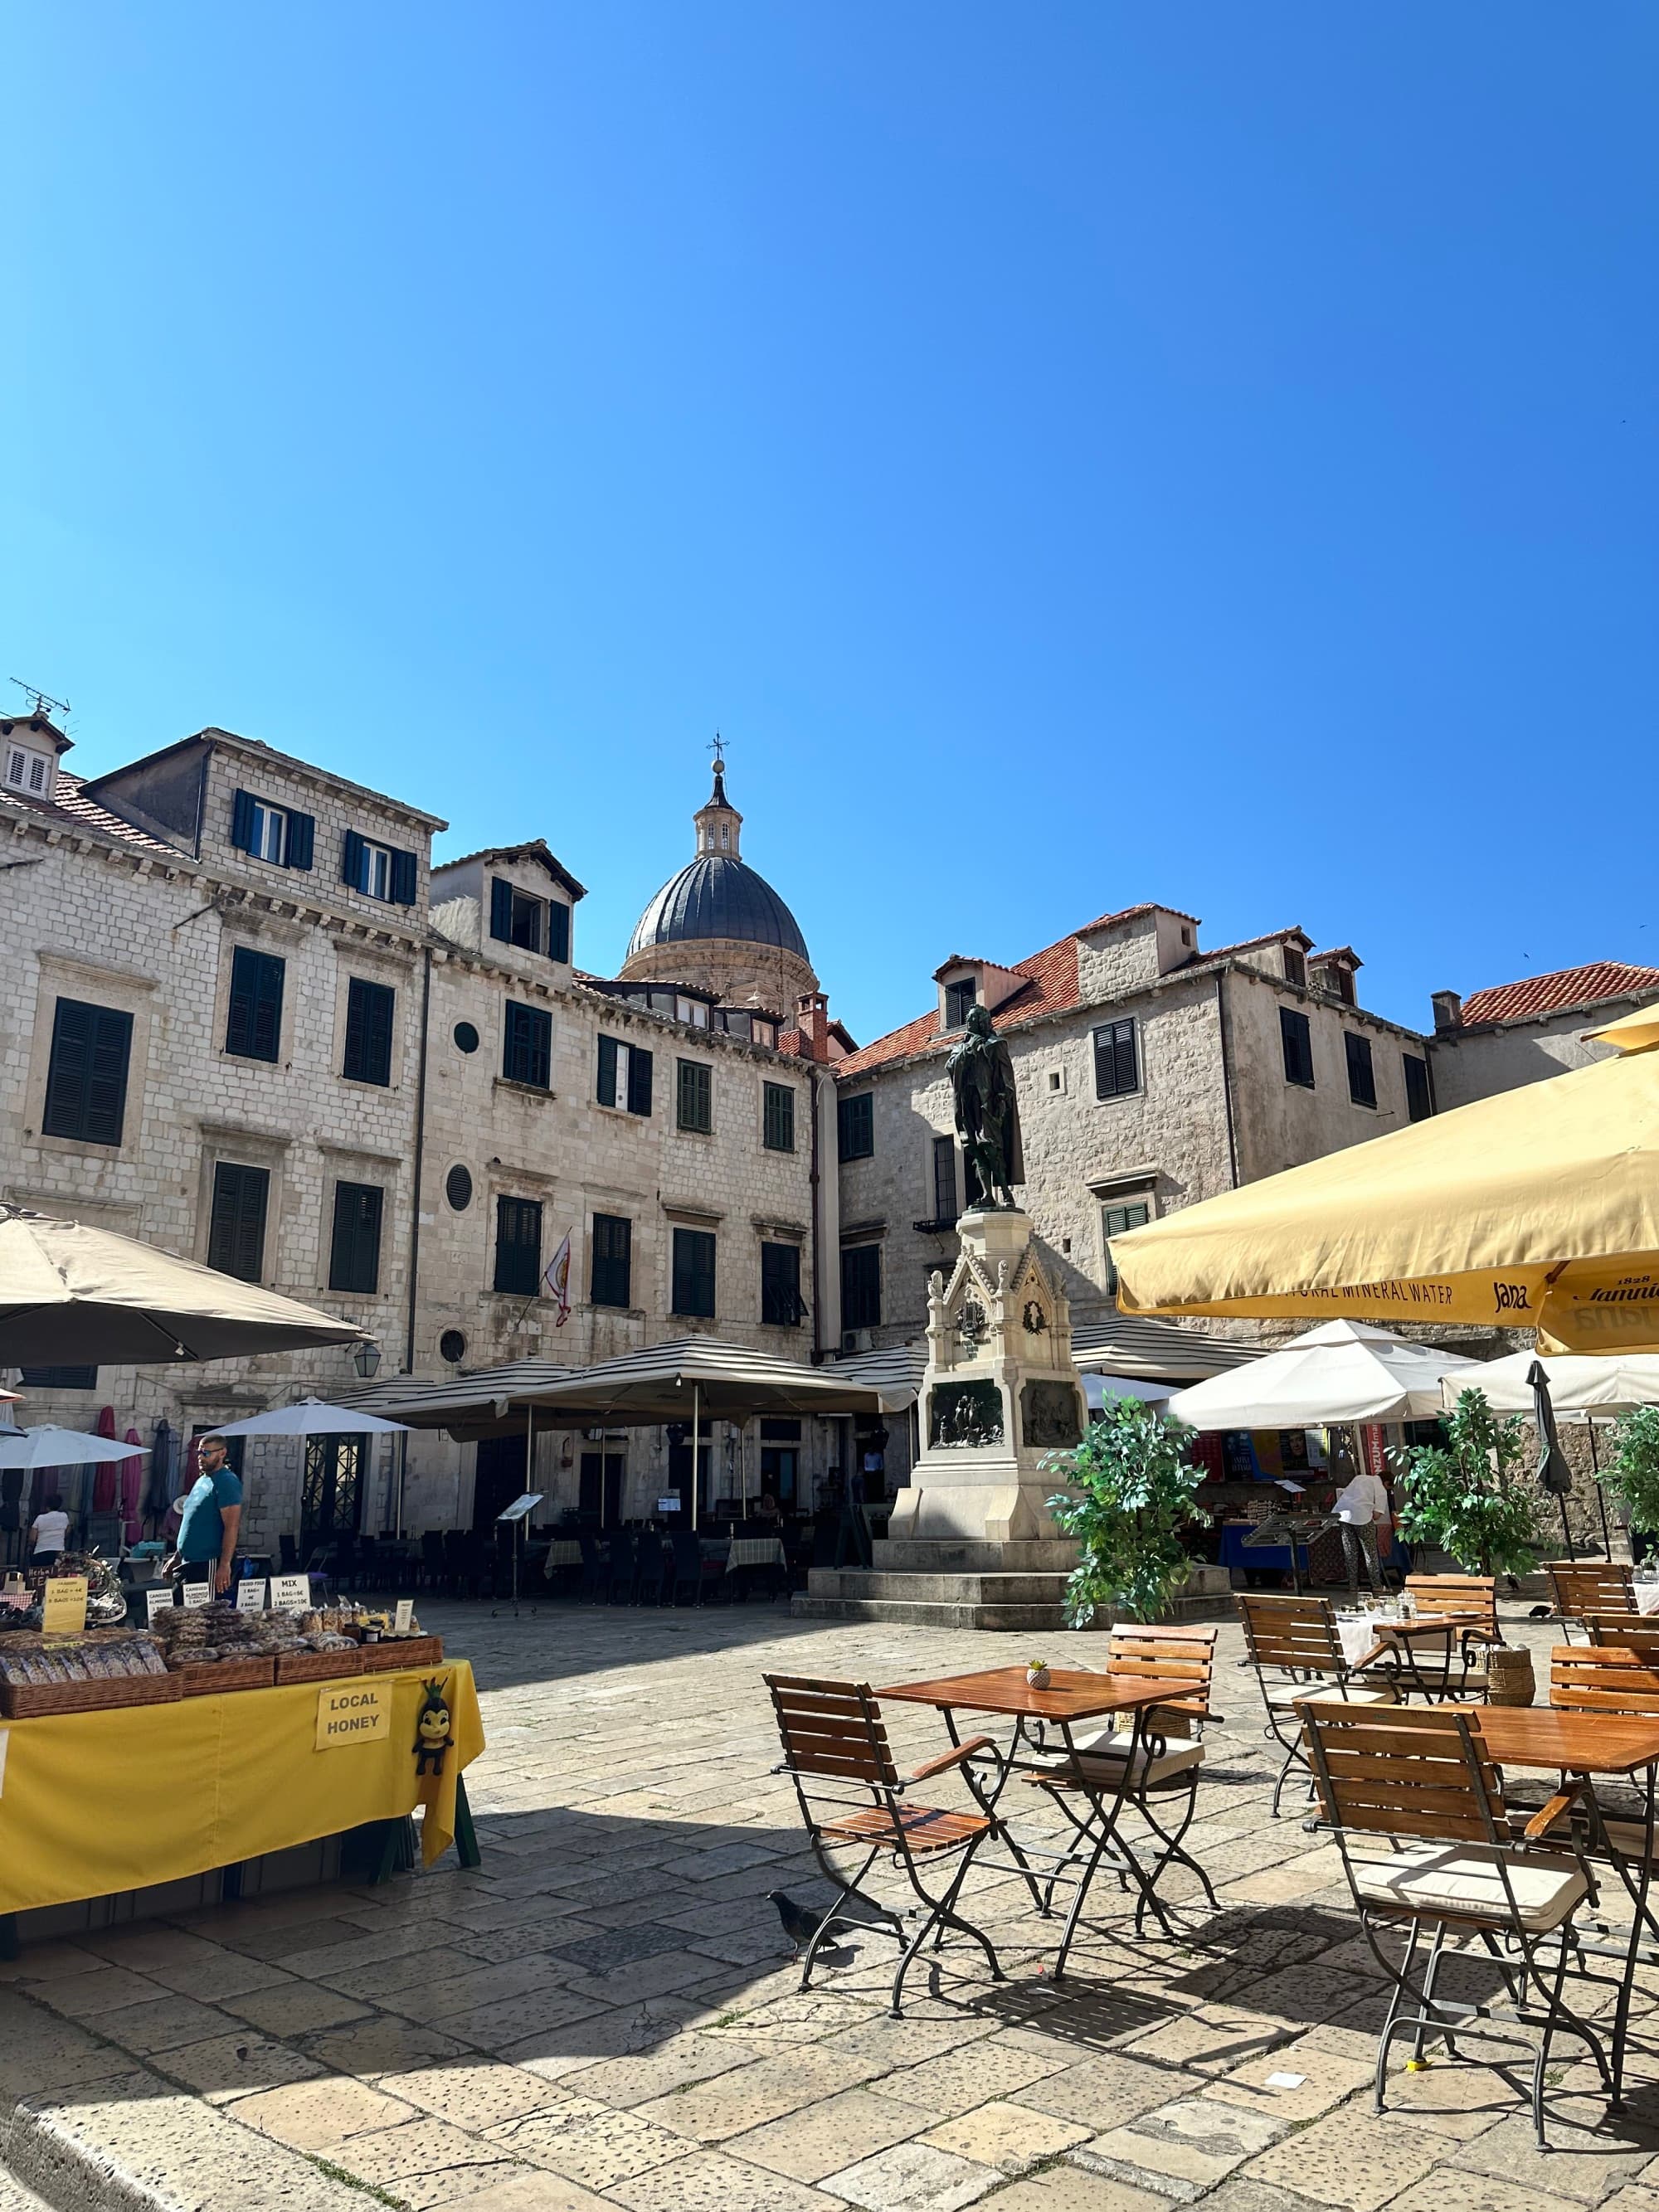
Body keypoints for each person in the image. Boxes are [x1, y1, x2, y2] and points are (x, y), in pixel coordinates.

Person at [173, 1437, 243, 1597]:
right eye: (199, 1452)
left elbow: (232, 1526)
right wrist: (178, 1556)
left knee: (205, 1611)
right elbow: (191, 1522)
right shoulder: (202, 1481)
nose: (200, 1457)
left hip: (209, 1563)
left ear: (222, 1453)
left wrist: (225, 1564)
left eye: (206, 1453)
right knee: (181, 1610)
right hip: (189, 1562)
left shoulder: (227, 1481)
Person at [1331, 1462, 1393, 1599]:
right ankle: (1377, 1586)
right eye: (1389, 1488)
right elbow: (1376, 1515)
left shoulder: (1359, 1478)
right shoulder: (1381, 1489)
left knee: (1350, 1553)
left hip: (1344, 1516)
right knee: (1370, 1553)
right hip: (1362, 1518)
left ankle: (1353, 1586)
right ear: (1386, 1483)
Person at [29, 1495, 68, 1566]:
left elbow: (32, 1538)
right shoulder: (64, 1516)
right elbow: (67, 1531)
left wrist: (31, 1547)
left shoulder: (40, 1518)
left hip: (41, 1552)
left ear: (47, 1506)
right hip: (58, 1553)